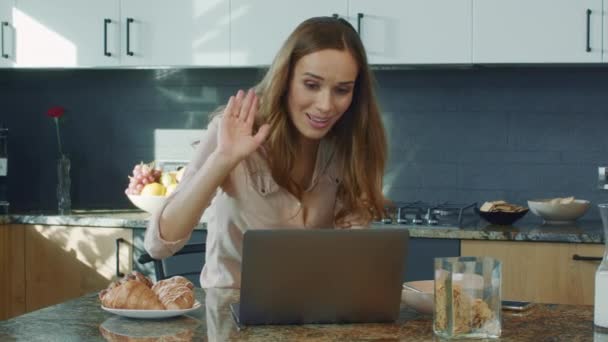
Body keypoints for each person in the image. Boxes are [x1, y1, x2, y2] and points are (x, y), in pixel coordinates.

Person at [144, 16, 388, 289]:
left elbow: (346, 258)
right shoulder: (234, 129)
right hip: (231, 321)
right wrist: (223, 159)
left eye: (342, 90)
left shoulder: (348, 144)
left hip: (309, 320)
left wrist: (356, 232)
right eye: (311, 85)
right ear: (286, 79)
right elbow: (158, 244)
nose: (325, 105)